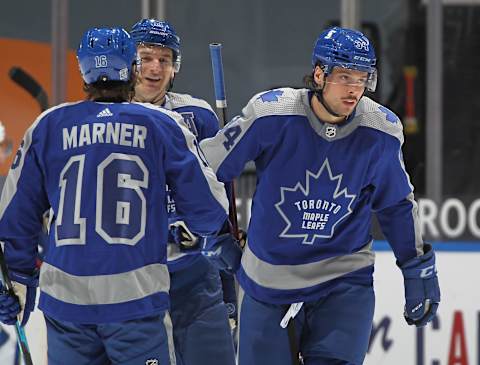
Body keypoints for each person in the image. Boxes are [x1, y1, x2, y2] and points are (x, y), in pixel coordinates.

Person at [200, 26, 441, 365]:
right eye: (344, 77)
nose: (354, 90)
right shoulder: (270, 115)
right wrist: (214, 234)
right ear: (319, 74)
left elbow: (396, 205)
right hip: (267, 284)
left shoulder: (380, 131)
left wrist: (417, 269)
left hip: (343, 281)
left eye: (362, 79)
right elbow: (204, 174)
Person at [0, 27, 230, 365]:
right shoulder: (163, 123)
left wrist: (16, 279)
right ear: (133, 68)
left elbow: (15, 216)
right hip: (134, 299)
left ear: (83, 70)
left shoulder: (47, 125)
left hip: (66, 303)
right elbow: (210, 214)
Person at [130, 19, 237, 365]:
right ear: (130, 62)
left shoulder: (197, 115)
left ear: (175, 68)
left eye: (164, 59)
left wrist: (228, 289)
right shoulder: (109, 116)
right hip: (132, 277)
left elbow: (219, 212)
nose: (155, 68)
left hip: (194, 275)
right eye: (146, 57)